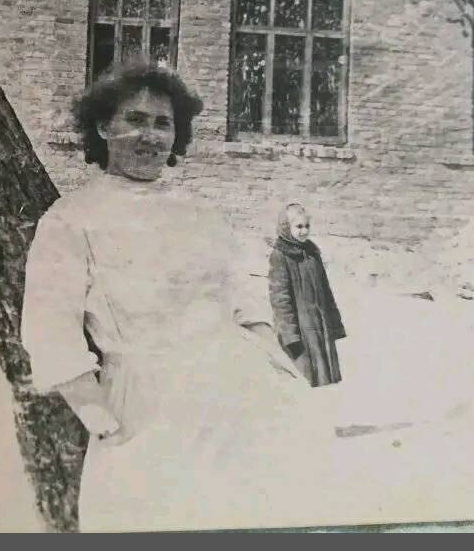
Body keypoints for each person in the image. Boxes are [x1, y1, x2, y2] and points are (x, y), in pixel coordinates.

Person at [20, 63, 339, 532]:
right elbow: (50, 326)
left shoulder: (199, 212)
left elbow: (240, 301)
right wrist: (98, 414)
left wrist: (284, 374)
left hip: (238, 396)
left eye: (162, 123)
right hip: (146, 408)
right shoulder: (71, 219)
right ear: (103, 127)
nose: (149, 136)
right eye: (134, 119)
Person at [269, 203, 347, 387]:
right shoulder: (280, 256)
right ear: (286, 227)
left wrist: (335, 325)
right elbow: (280, 300)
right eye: (299, 226)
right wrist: (290, 337)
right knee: (304, 382)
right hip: (301, 336)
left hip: (321, 329)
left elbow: (326, 292)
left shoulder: (312, 253)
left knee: (325, 381)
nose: (304, 231)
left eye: (307, 226)